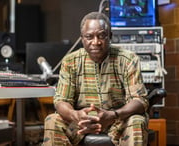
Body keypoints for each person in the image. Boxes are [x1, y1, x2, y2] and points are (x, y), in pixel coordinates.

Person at [43, 11, 149, 146]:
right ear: (82, 38)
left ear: (110, 36)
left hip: (118, 121)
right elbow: (61, 101)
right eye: (89, 36)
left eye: (102, 36)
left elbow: (140, 100)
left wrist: (113, 115)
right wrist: (75, 115)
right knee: (52, 120)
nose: (96, 42)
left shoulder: (128, 59)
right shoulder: (70, 61)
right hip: (81, 123)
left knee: (136, 121)